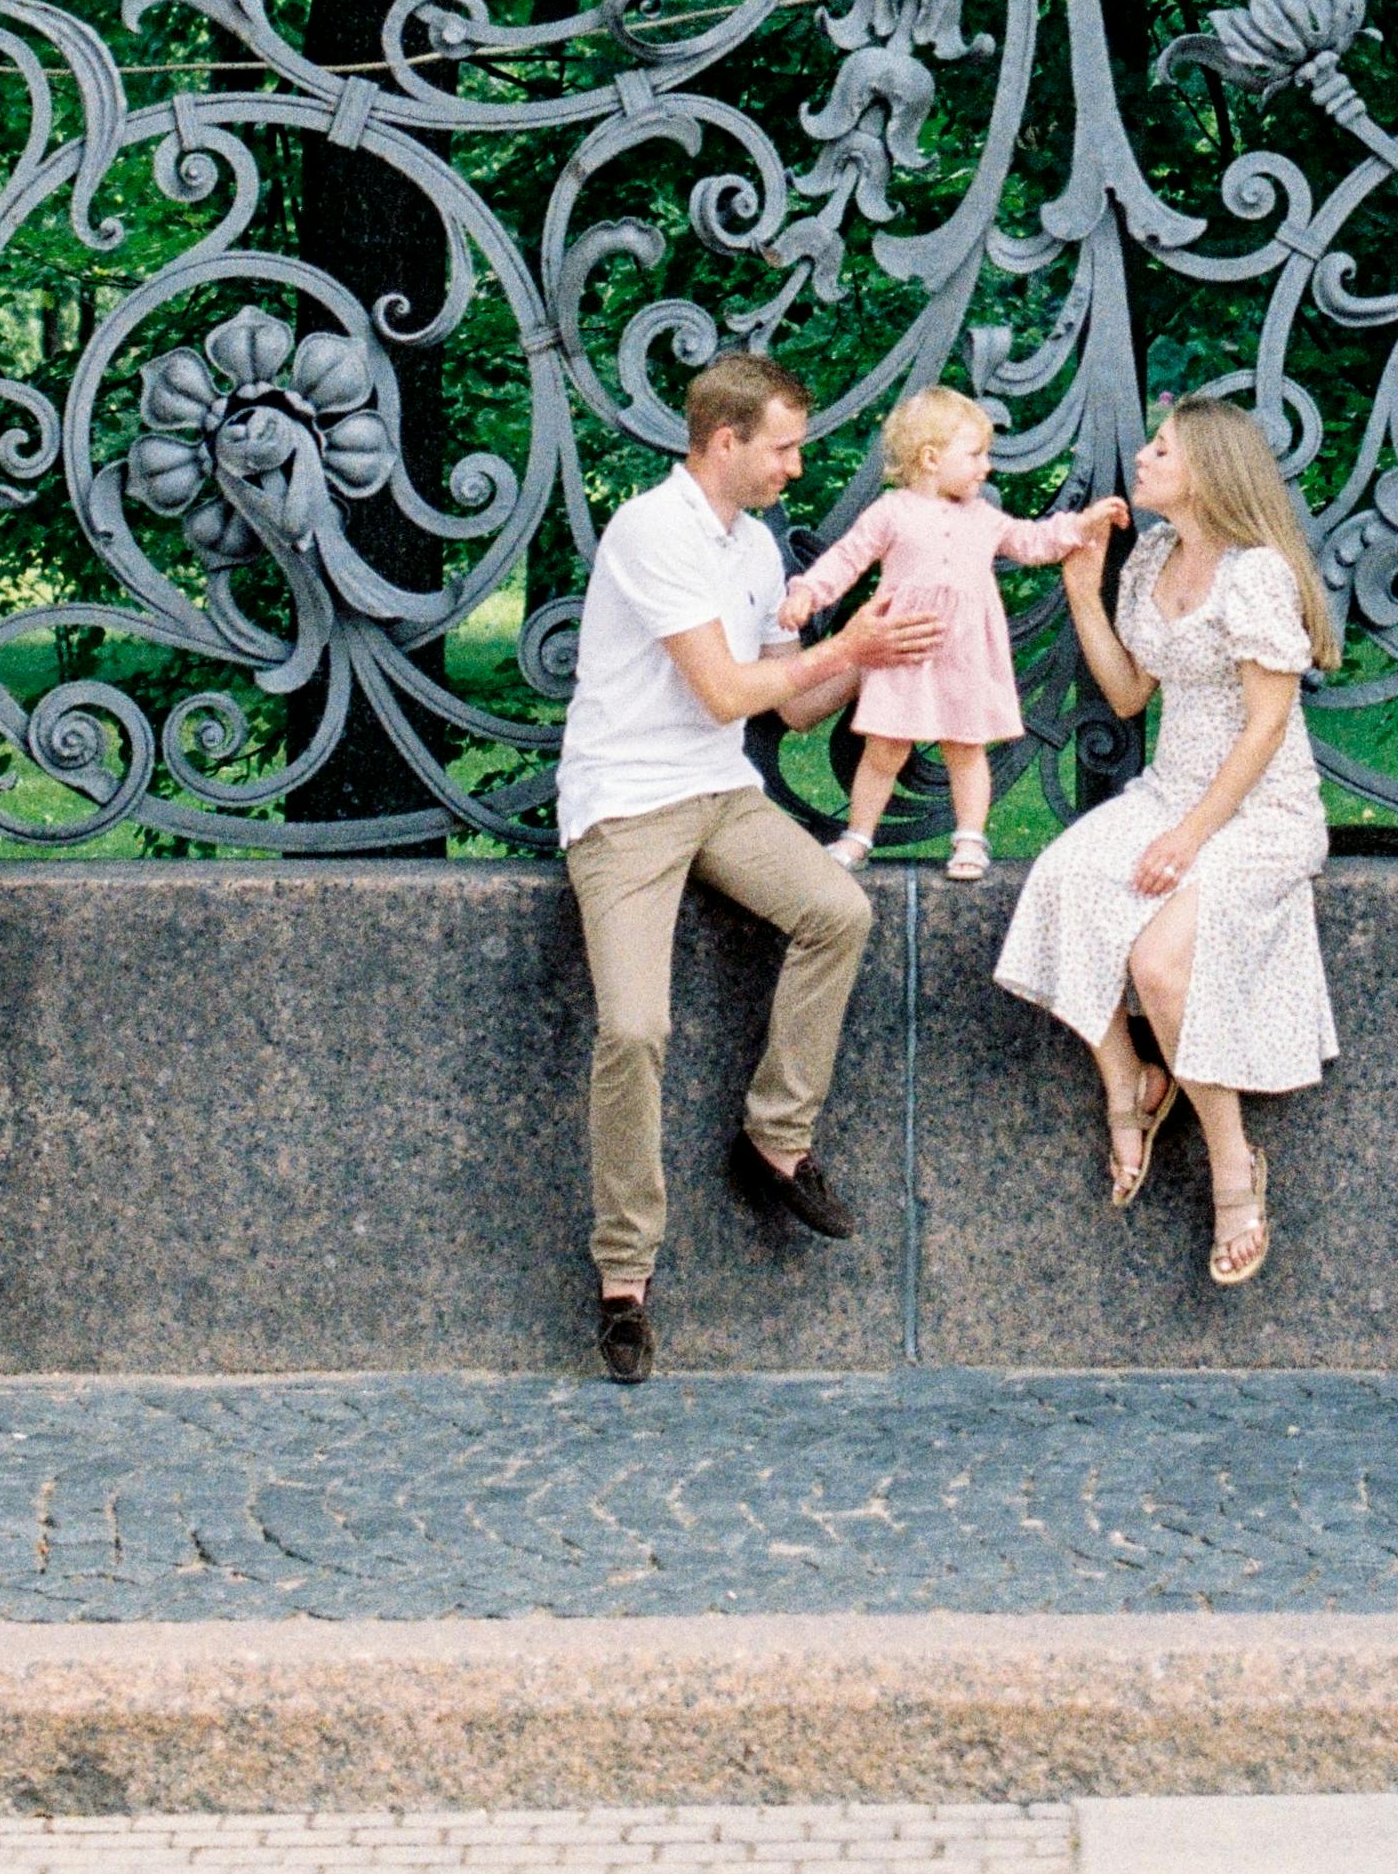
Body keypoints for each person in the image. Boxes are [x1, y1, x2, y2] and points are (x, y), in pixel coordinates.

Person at [559, 350, 944, 1386]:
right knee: (634, 1027)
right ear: (723, 441)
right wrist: (839, 645)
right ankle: (623, 1281)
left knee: (837, 910)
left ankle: (774, 1137)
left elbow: (786, 703)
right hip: (626, 805)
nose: (795, 465)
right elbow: (730, 688)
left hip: (718, 791)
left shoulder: (757, 544)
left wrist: (877, 648)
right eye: (781, 446)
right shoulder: (650, 529)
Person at [992, 395, 1341, 1292]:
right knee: (1062, 877)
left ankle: (1234, 1169)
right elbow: (1127, 696)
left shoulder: (1255, 575)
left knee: (1157, 963)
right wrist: (1081, 589)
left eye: (1159, 449)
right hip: (1169, 791)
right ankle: (1130, 1085)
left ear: (1208, 472)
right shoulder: (1154, 553)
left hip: (1258, 811)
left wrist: (1191, 837)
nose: (1141, 460)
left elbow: (1266, 724)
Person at [777, 385, 1125, 881]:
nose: (987, 467)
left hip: (965, 654)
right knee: (885, 749)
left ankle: (970, 837)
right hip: (905, 648)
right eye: (976, 454)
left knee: (966, 748)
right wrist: (808, 591)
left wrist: (1083, 524)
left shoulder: (982, 517)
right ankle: (858, 835)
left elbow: (1032, 542)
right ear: (931, 457)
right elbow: (847, 557)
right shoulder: (891, 512)